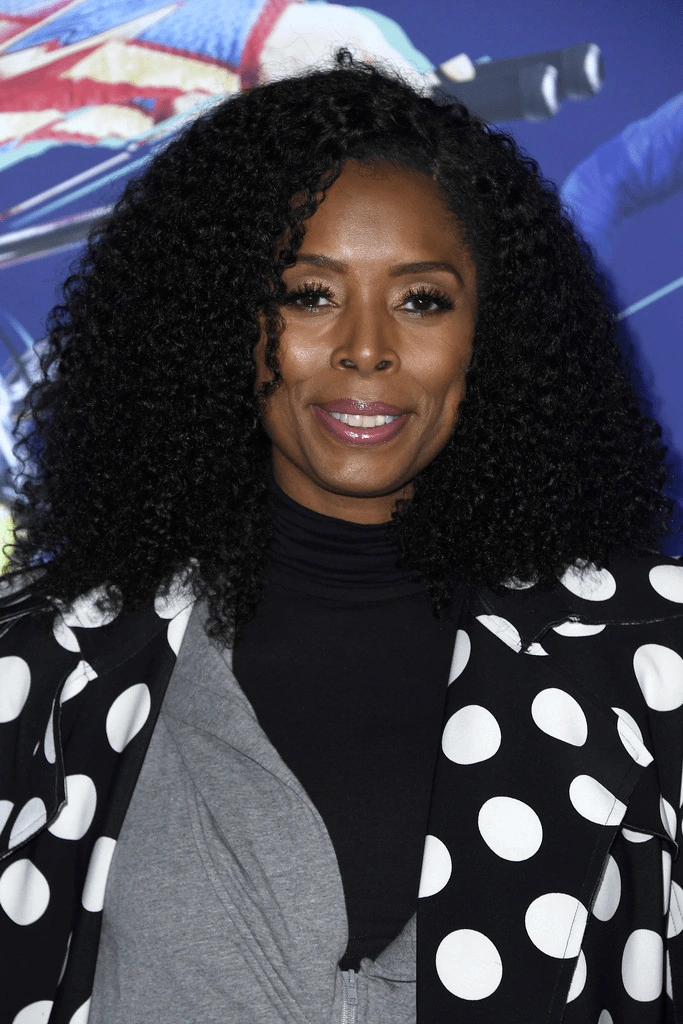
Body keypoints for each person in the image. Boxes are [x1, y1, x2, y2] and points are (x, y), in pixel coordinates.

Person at [0, 56, 681, 1024]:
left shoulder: (652, 657)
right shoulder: (43, 664)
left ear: (493, 332)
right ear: (223, 322)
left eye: (421, 299)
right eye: (309, 294)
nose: (366, 347)